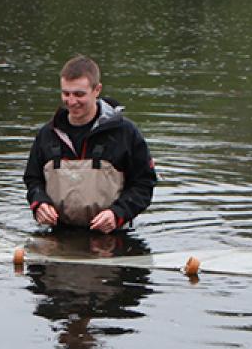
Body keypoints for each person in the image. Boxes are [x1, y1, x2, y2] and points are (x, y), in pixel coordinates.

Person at [22, 54, 159, 233]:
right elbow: (33, 179)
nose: (71, 102)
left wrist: (118, 213)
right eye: (66, 94)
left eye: (79, 94)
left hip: (113, 234)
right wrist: (39, 203)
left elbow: (144, 184)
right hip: (57, 232)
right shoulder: (47, 134)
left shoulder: (126, 133)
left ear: (97, 90)